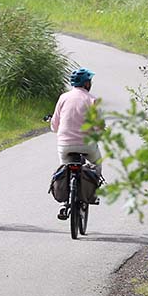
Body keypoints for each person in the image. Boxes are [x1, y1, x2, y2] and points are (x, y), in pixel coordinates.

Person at [51, 67, 99, 220]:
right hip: (87, 144)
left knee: (64, 167)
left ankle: (64, 203)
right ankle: (92, 195)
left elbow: (55, 124)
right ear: (86, 84)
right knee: (97, 163)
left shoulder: (63, 97)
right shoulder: (92, 100)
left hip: (65, 145)